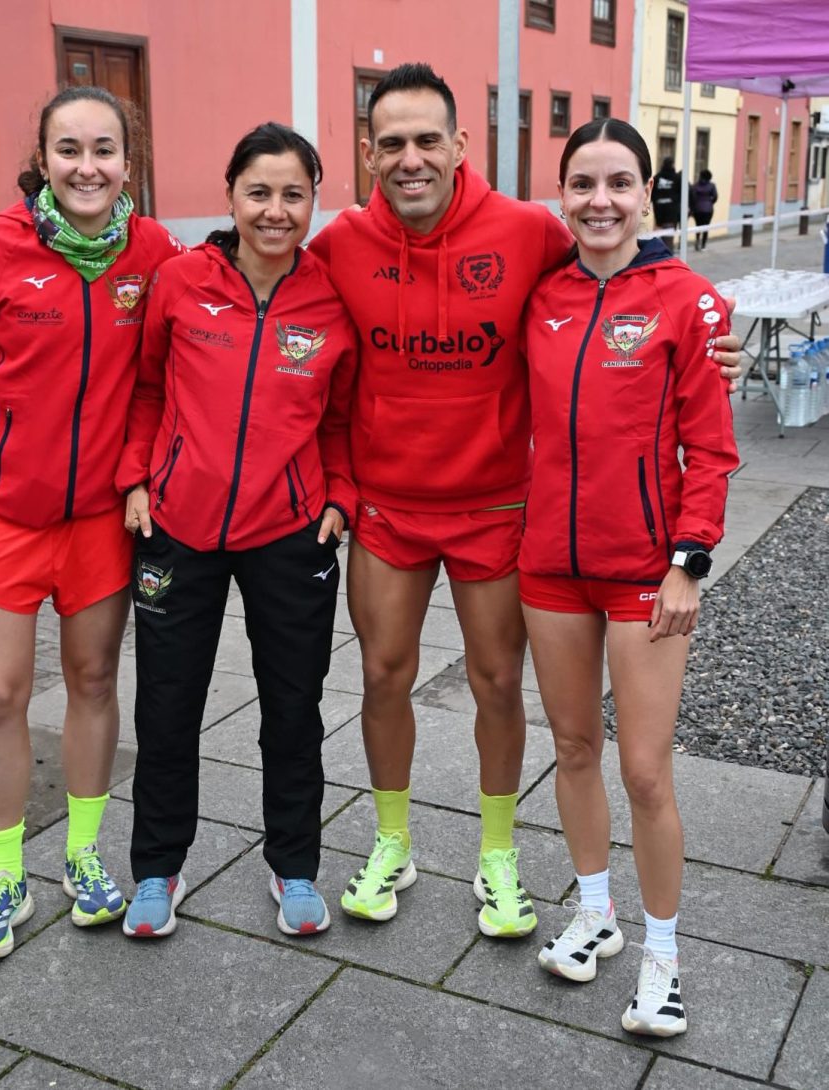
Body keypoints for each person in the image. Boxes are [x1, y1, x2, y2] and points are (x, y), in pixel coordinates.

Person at [306, 63, 742, 938]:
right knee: (382, 676)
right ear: (368, 153)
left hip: (500, 508)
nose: (411, 158)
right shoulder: (339, 243)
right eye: (391, 143)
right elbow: (287, 323)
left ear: (462, 146)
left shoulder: (525, 231)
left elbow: (621, 264)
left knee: (497, 680)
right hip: (390, 506)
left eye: (429, 139)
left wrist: (705, 336)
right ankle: (393, 840)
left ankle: (497, 854)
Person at [0, 86, 183, 958]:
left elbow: (154, 383)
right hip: (2, 516)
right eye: (69, 149)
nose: (87, 167)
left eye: (104, 150)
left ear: (128, 162)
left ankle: (80, 855)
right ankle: (2, 874)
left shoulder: (153, 252)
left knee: (96, 682)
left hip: (101, 520)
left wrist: (140, 472)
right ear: (43, 158)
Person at [520, 118, 739, 1037]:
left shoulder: (689, 301)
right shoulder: (541, 296)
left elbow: (713, 449)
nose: (599, 199)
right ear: (561, 193)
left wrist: (690, 562)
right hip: (549, 569)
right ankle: (596, 913)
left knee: (647, 773)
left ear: (646, 192)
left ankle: (662, 956)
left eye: (618, 182)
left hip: (647, 572)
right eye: (582, 183)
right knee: (573, 750)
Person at [117, 123, 358, 939]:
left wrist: (341, 497)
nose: (276, 210)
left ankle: (293, 868)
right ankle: (156, 869)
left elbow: (344, 417)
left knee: (294, 709)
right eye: (260, 192)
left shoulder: (331, 298)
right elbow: (146, 389)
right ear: (231, 197)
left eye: (294, 194)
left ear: (313, 202)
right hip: (177, 527)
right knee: (167, 705)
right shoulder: (182, 281)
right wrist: (138, 478)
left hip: (291, 534)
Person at [651, 156, 682, 251]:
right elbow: (681, 195)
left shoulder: (656, 178)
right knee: (668, 242)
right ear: (672, 165)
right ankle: (667, 261)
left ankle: (658, 260)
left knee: (657, 241)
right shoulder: (677, 178)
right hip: (671, 216)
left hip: (658, 214)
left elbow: (651, 195)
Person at [689, 169, 718, 251]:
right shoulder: (712, 185)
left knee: (698, 226)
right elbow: (715, 196)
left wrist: (693, 207)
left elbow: (692, 197)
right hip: (708, 210)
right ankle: (703, 245)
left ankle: (697, 240)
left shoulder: (695, 186)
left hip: (697, 209)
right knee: (706, 227)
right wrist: (709, 202)